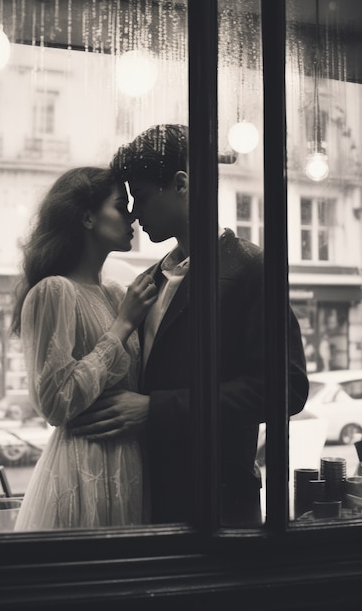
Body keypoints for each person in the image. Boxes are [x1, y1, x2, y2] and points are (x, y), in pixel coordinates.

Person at [70, 124, 309, 527]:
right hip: (144, 495)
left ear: (181, 184)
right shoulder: (148, 281)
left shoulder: (251, 267)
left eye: (141, 197)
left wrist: (156, 409)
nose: (133, 213)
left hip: (218, 507)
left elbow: (286, 387)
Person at [9, 166, 158, 530]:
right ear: (88, 217)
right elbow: (56, 403)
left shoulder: (115, 294)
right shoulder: (54, 291)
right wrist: (122, 326)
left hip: (129, 469)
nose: (133, 216)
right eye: (121, 206)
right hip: (81, 469)